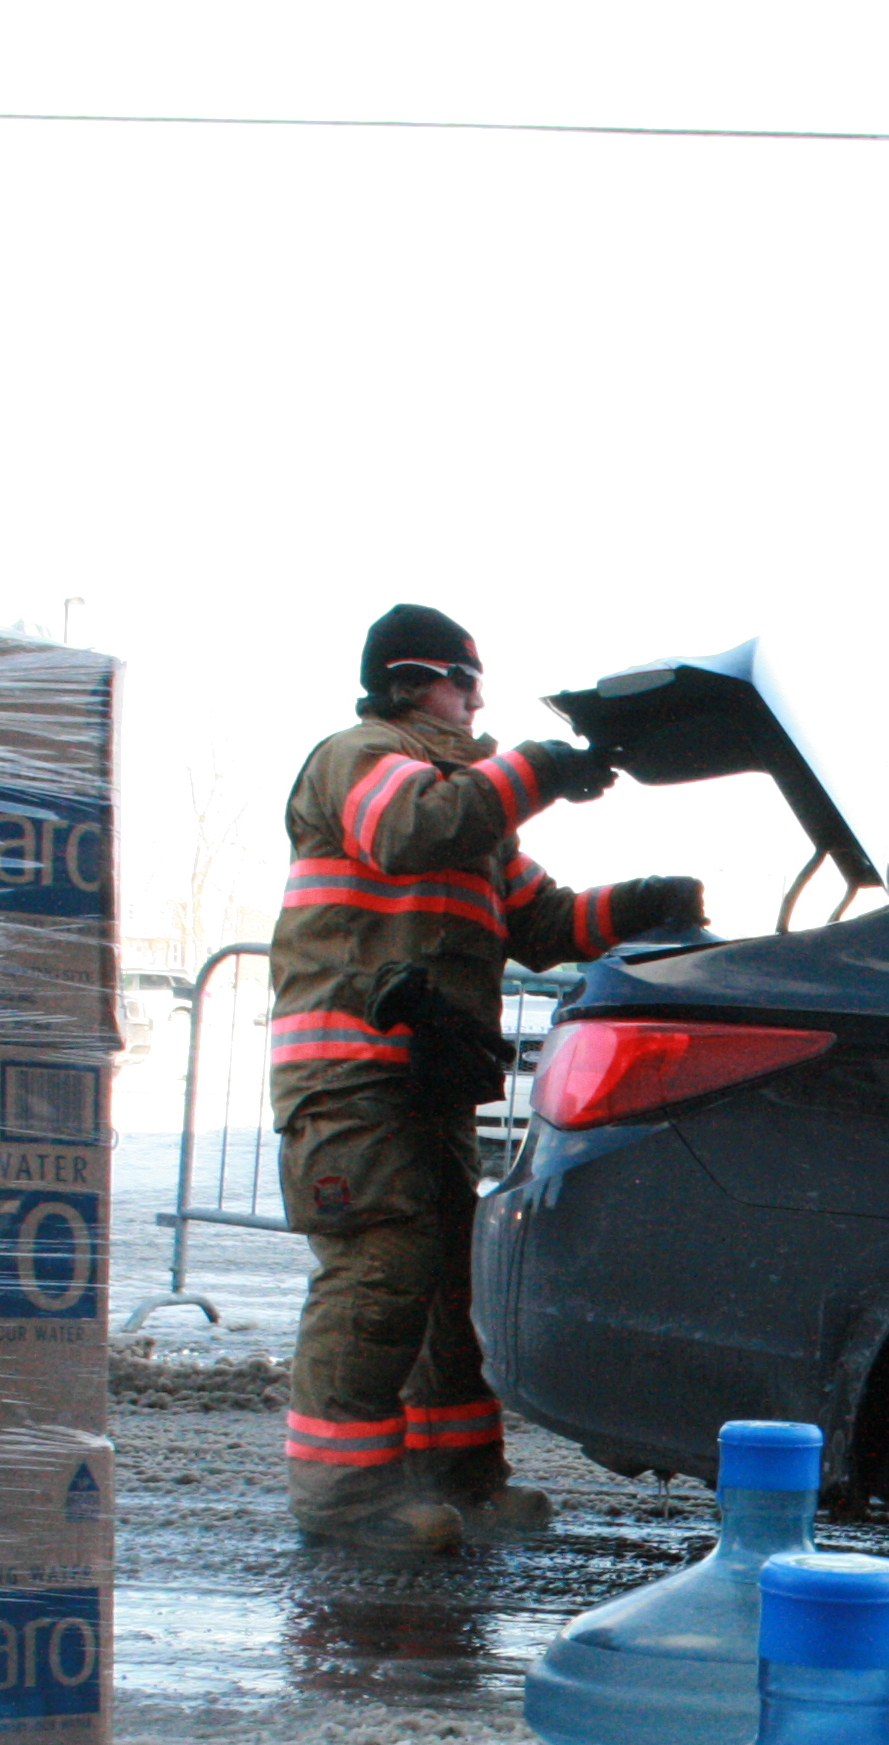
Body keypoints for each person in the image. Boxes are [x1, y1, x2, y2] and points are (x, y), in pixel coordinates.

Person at [272, 603, 702, 1552]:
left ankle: (461, 1482)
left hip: (423, 1085)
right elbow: (411, 828)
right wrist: (542, 768)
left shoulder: (478, 813)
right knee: (377, 1276)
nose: (476, 702)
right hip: (351, 1079)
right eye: (464, 682)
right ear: (410, 682)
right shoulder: (363, 757)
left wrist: (645, 904)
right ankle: (345, 1500)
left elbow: (544, 924)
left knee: (441, 1291)